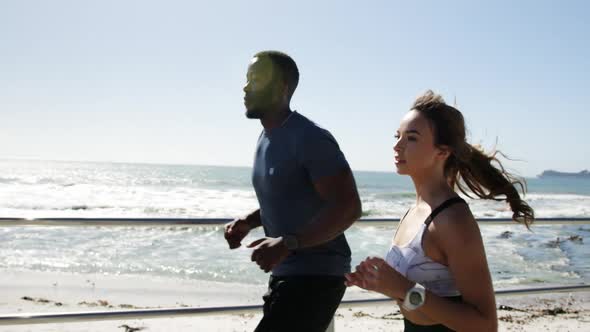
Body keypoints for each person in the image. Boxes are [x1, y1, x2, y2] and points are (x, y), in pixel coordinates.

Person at [345, 90, 534, 331]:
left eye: (411, 138)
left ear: (442, 151)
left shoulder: (453, 220)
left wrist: (403, 288)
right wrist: (380, 282)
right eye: (397, 136)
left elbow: (485, 325)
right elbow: (417, 302)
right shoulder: (414, 212)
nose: (397, 146)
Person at [224, 50, 362, 332]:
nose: (246, 86)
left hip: (318, 276)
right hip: (287, 274)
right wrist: (248, 223)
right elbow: (286, 198)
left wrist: (288, 243)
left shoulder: (310, 138)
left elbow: (348, 207)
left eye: (256, 78)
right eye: (246, 78)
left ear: (281, 87)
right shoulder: (266, 137)